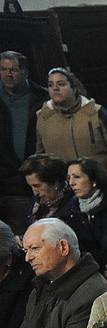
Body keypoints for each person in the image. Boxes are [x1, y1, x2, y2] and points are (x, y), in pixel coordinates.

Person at [34, 66, 107, 171]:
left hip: (98, 179)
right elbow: (40, 155)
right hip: (63, 182)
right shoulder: (44, 116)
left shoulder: (95, 112)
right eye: (50, 85)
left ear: (74, 87)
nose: (55, 88)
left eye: (61, 84)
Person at [0, 51, 48, 228]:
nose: (8, 74)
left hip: (33, 180)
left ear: (25, 71)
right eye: (3, 69)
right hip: (4, 181)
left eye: (13, 69)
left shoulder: (42, 98)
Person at [21, 153, 78, 227]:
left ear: (55, 183)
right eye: (30, 186)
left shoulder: (76, 205)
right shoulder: (34, 204)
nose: (35, 193)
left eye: (37, 186)